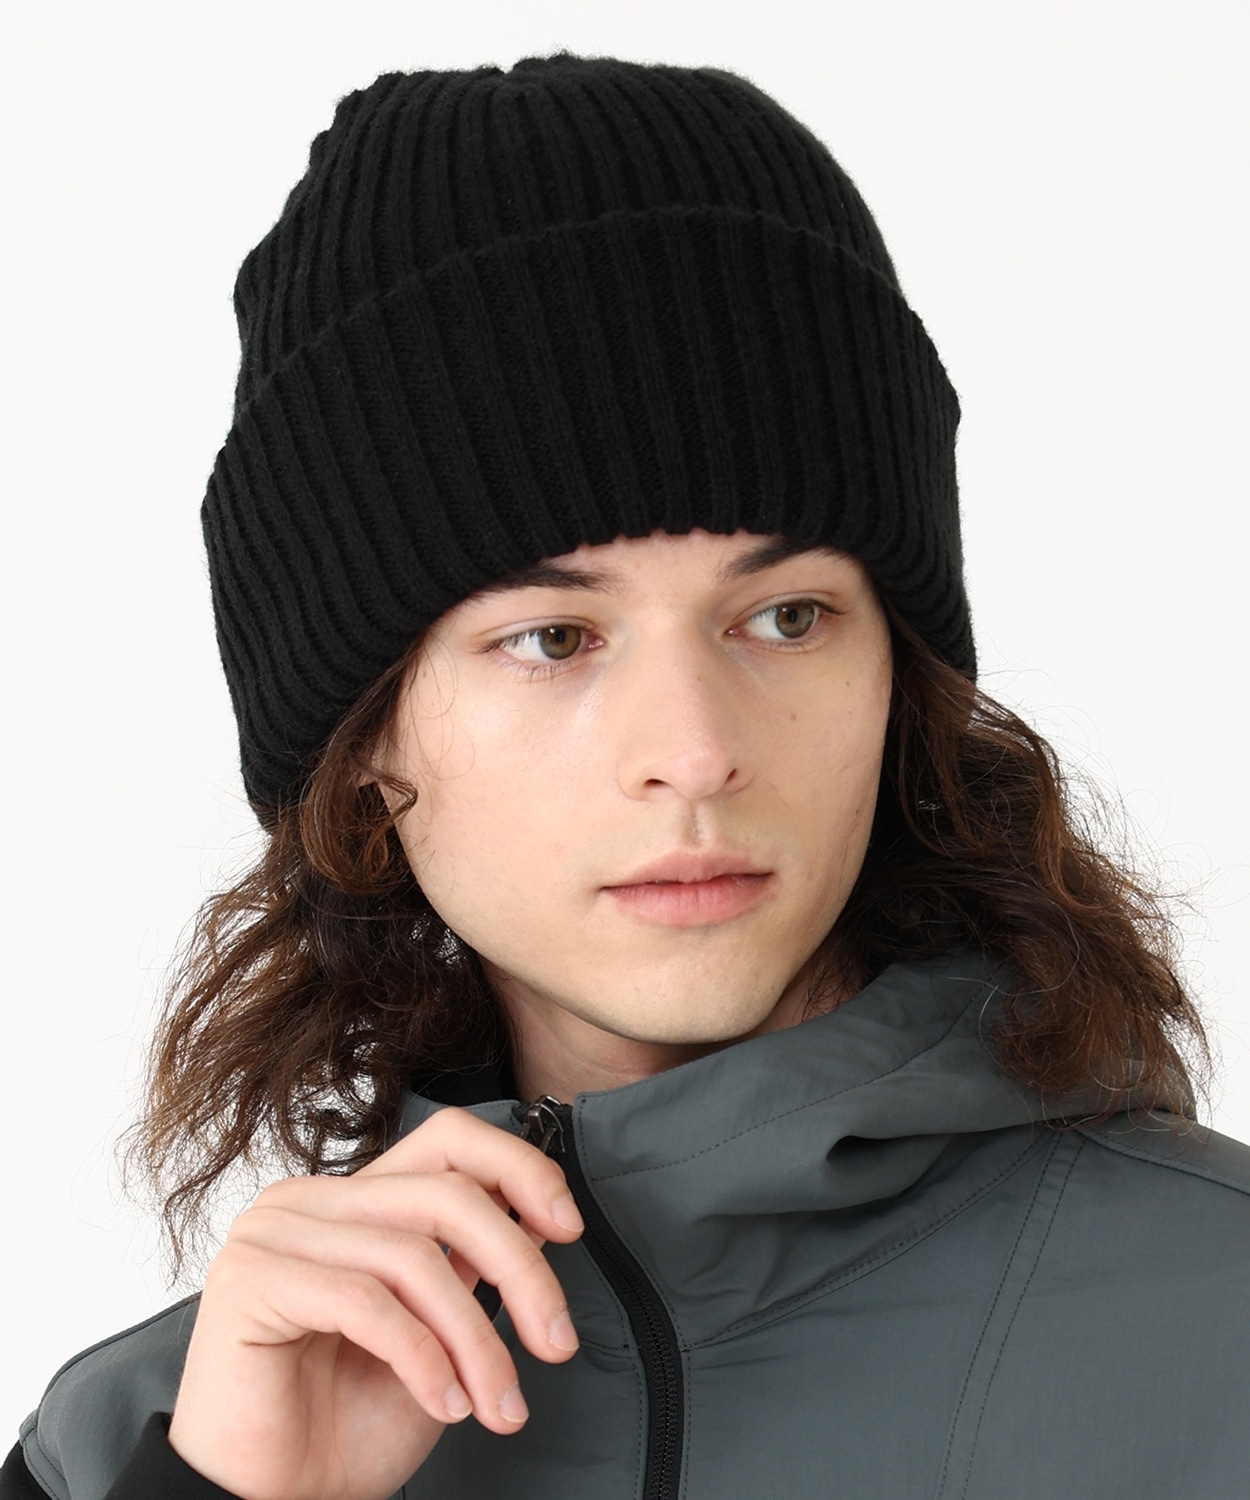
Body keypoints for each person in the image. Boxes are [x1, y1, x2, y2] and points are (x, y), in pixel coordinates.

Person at [4, 51, 1248, 1500]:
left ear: (898, 682)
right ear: (364, 744)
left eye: (786, 618)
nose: (695, 751)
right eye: (553, 638)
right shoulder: (150, 1436)